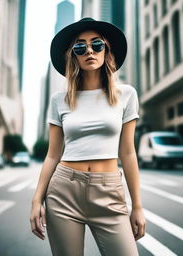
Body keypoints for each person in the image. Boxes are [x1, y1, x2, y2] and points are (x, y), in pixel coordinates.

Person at [30, 17, 146, 256]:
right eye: (80, 47)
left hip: (109, 192)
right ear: (73, 55)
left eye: (97, 44)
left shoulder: (126, 95)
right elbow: (52, 155)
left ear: (107, 50)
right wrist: (36, 200)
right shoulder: (58, 100)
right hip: (64, 193)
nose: (89, 51)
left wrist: (137, 206)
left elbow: (127, 152)